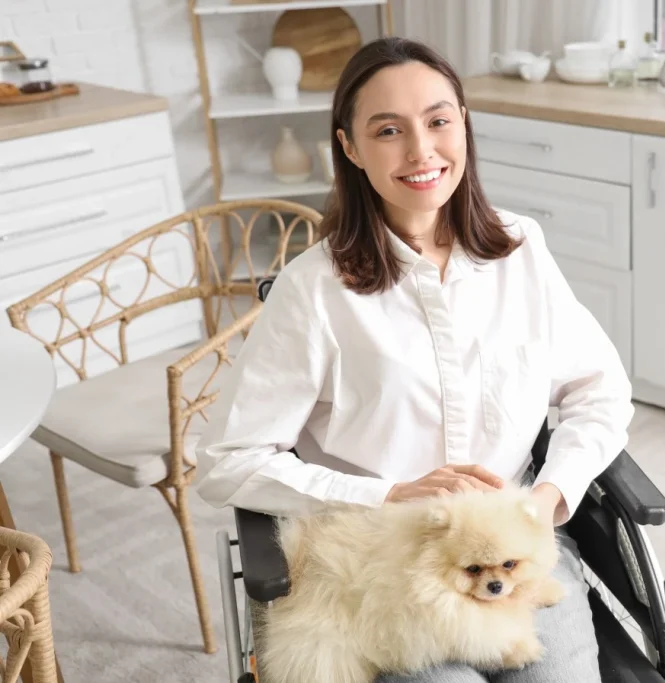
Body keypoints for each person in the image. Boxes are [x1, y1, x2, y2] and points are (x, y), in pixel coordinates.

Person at [194, 36, 634, 682]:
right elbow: (227, 462)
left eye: (438, 121)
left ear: (463, 124)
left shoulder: (521, 253)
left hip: (511, 551)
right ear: (349, 146)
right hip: (382, 564)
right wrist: (388, 493)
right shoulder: (314, 292)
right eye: (389, 130)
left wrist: (545, 500)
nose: (422, 151)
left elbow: (601, 391)